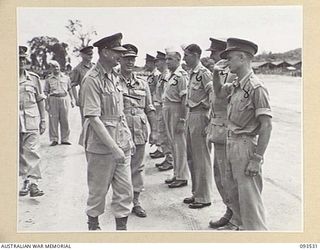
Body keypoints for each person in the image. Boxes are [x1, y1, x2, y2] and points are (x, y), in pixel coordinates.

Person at [212, 38, 272, 230]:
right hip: (232, 143)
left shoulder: (256, 87)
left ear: (243, 57)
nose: (227, 62)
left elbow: (267, 126)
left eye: (229, 57)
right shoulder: (238, 84)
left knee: (249, 201)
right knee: (235, 196)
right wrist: (215, 73)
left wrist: (257, 158)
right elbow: (220, 93)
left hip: (245, 147)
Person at [80, 33, 134, 231]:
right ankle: (93, 228)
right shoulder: (91, 79)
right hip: (101, 146)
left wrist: (127, 140)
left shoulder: (114, 76)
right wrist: (114, 148)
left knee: (125, 190)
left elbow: (119, 113)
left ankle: (121, 232)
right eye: (116, 52)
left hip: (121, 142)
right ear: (104, 52)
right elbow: (93, 118)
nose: (121, 55)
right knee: (98, 191)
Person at [119, 43, 157, 218]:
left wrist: (155, 130)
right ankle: (121, 201)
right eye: (126, 58)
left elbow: (149, 108)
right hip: (120, 130)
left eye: (132, 59)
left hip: (140, 129)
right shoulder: (113, 81)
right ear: (119, 59)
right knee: (120, 167)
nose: (130, 62)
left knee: (138, 167)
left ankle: (136, 201)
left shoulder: (142, 83)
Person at [205, 38, 234, 229]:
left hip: (227, 131)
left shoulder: (232, 75)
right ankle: (229, 210)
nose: (210, 57)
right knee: (220, 176)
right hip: (217, 130)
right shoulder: (219, 74)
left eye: (214, 53)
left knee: (228, 177)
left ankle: (234, 215)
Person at [183, 44, 213, 209]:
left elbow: (212, 95)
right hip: (191, 114)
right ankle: (196, 193)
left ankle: (204, 196)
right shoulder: (192, 73)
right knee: (192, 157)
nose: (184, 58)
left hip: (200, 115)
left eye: (186, 55)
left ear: (195, 55)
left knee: (201, 157)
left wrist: (206, 113)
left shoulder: (204, 74)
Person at [19, 45, 46, 197]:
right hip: (12, 121)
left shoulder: (34, 78)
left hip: (31, 118)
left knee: (32, 150)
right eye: (18, 59)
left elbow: (40, 100)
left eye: (23, 59)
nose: (21, 62)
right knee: (19, 152)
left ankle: (34, 182)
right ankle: (25, 180)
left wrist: (43, 119)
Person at [162, 48, 189, 187]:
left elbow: (185, 99)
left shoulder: (181, 75)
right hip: (168, 109)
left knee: (179, 145)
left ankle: (182, 176)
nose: (167, 61)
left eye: (170, 59)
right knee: (173, 144)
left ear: (179, 60)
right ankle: (176, 173)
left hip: (177, 110)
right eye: (166, 59)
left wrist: (182, 120)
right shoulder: (170, 75)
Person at [44, 60, 75, 146]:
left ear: (59, 67)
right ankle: (54, 139)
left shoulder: (66, 78)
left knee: (64, 119)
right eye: (53, 67)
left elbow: (69, 89)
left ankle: (65, 139)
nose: (56, 68)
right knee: (53, 120)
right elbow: (46, 92)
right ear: (51, 69)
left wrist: (72, 100)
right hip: (53, 99)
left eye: (57, 66)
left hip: (64, 98)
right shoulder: (48, 79)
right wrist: (46, 104)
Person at [154, 51, 174, 171]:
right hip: (160, 108)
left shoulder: (166, 76)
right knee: (162, 133)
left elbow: (165, 94)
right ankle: (167, 157)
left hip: (164, 107)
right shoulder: (162, 75)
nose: (157, 64)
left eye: (158, 61)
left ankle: (170, 159)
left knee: (166, 135)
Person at [70, 46, 95, 124]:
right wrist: (76, 98)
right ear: (82, 55)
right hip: (85, 98)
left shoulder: (95, 67)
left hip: (96, 96)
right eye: (88, 54)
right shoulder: (77, 69)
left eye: (91, 54)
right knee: (86, 122)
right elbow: (73, 84)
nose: (90, 56)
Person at [145, 54, 163, 159]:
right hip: (152, 102)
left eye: (148, 62)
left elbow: (158, 89)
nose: (147, 64)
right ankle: (158, 147)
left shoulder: (156, 74)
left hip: (156, 102)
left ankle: (160, 148)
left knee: (158, 126)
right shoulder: (151, 74)